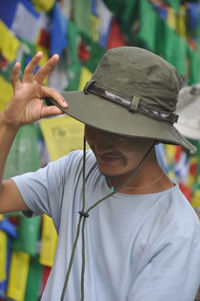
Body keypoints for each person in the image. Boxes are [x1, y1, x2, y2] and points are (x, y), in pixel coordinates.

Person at [0, 47, 200, 301]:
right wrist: (8, 124)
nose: (102, 144)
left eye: (121, 131)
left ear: (156, 136)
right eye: (95, 124)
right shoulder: (77, 169)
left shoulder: (177, 229)